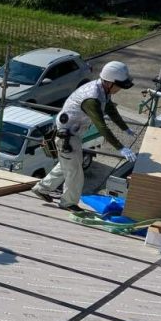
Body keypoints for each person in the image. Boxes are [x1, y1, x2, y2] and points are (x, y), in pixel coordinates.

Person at [31, 60, 138, 212]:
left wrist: (125, 128)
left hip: (71, 134)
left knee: (67, 165)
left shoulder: (102, 90)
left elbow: (110, 109)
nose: (120, 89)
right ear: (109, 82)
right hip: (66, 136)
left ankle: (41, 189)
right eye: (119, 85)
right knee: (75, 172)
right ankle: (68, 202)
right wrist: (120, 147)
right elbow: (101, 125)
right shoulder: (92, 99)